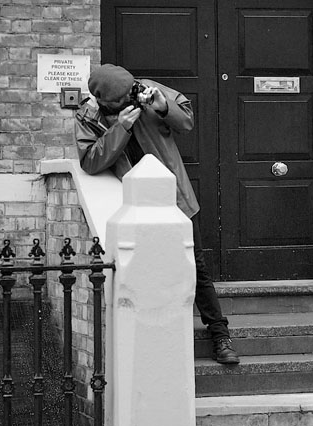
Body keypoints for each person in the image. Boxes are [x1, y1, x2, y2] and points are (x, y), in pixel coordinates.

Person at [74, 64, 239, 364]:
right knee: (150, 276)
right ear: (106, 104)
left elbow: (186, 120)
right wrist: (120, 128)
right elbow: (90, 160)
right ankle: (162, 345)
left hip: (177, 199)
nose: (133, 98)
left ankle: (220, 335)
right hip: (137, 211)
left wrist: (163, 108)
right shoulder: (88, 118)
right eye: (123, 101)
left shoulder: (146, 90)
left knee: (197, 269)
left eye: (132, 92)